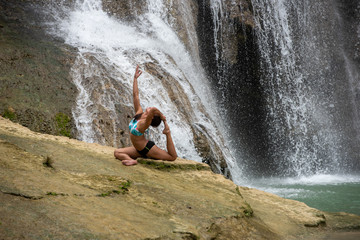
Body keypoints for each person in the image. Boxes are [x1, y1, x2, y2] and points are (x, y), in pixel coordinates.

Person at [114, 66, 178, 166]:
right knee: (117, 152)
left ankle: (167, 133)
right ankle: (132, 161)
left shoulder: (144, 123)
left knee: (172, 157)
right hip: (138, 149)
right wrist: (135, 79)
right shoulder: (139, 114)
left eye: (150, 110)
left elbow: (152, 110)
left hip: (147, 149)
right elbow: (135, 95)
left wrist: (161, 116)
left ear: (151, 117)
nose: (149, 107)